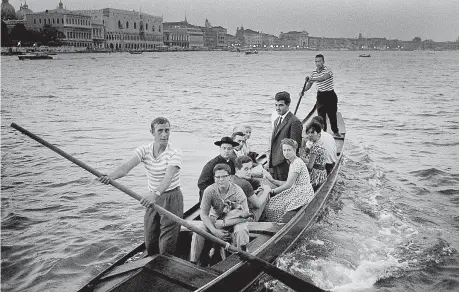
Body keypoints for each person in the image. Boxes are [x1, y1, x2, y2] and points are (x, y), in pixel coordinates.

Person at [98, 117, 183, 255]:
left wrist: (154, 195)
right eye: (160, 131)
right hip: (153, 196)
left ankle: (166, 264)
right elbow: (126, 167)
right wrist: (110, 177)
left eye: (167, 130)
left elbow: (167, 178)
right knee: (150, 240)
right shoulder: (144, 150)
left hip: (171, 197)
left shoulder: (175, 153)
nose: (164, 134)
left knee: (167, 243)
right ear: (152, 132)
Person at [190, 164, 251, 264]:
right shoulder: (209, 191)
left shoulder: (238, 191)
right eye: (218, 177)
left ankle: (242, 259)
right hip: (215, 219)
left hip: (234, 220)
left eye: (224, 176)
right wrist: (214, 231)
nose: (220, 180)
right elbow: (204, 214)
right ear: (214, 178)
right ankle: (193, 262)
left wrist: (223, 224)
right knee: (199, 230)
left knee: (242, 230)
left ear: (230, 177)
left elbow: (246, 215)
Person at [264, 138, 315, 223]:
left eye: (289, 150)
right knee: (273, 203)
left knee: (272, 205)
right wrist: (272, 181)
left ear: (294, 150)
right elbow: (289, 183)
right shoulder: (293, 161)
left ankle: (276, 224)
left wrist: (272, 191)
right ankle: (273, 221)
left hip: (302, 192)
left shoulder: (296, 163)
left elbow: (288, 185)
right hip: (299, 189)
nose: (286, 153)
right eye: (284, 150)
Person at [300, 54, 341, 137]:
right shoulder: (313, 73)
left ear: (323, 62)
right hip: (320, 96)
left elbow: (323, 78)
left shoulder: (328, 70)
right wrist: (303, 90)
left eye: (319, 61)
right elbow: (309, 85)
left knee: (332, 115)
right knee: (321, 118)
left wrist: (312, 79)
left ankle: (335, 132)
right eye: (316, 61)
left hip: (330, 95)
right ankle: (323, 134)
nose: (318, 63)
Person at [269, 91, 303, 181]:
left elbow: (295, 147)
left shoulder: (295, 122)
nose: (277, 108)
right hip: (275, 163)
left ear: (288, 104)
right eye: (276, 105)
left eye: (280, 105)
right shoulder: (277, 120)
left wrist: (290, 166)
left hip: (285, 165)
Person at [197, 137, 239, 201]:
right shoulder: (211, 164)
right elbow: (201, 183)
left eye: (229, 149)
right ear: (220, 149)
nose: (226, 151)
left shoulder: (232, 162)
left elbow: (232, 179)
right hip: (210, 197)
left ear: (233, 150)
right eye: (224, 148)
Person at [232, 155, 271, 222]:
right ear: (237, 169)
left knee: (259, 192)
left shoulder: (231, 178)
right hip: (245, 221)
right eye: (246, 169)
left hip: (232, 217)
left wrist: (254, 192)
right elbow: (258, 204)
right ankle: (265, 218)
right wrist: (267, 190)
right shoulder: (245, 184)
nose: (249, 172)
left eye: (251, 168)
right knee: (265, 192)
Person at [301, 121, 327, 190]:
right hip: (322, 173)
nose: (310, 135)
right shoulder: (321, 143)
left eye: (313, 132)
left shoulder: (314, 147)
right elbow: (315, 162)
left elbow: (309, 167)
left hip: (316, 176)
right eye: (308, 132)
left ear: (319, 134)